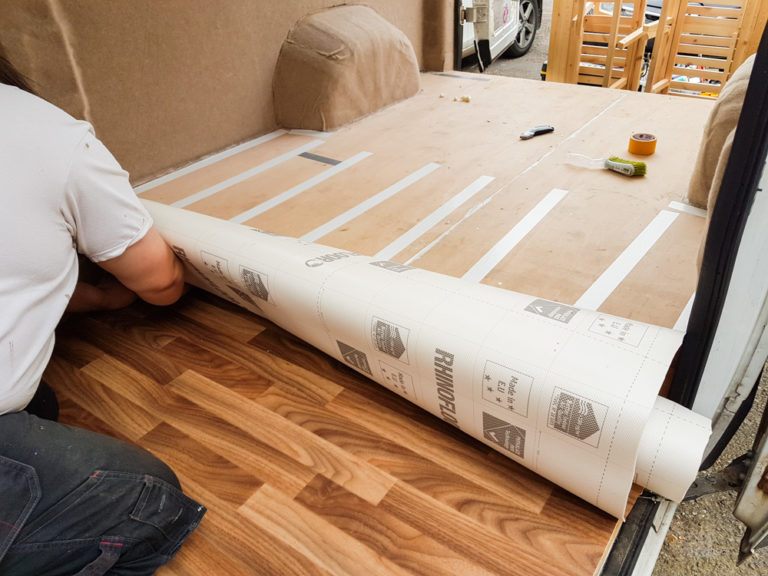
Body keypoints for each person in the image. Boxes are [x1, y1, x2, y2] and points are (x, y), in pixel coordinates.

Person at [0, 53, 205, 575]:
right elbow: (161, 284)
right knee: (148, 499)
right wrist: (141, 285)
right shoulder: (43, 132)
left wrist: (96, 299)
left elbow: (15, 271)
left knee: (39, 403)